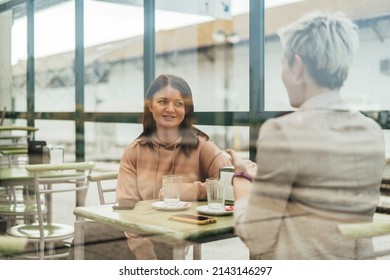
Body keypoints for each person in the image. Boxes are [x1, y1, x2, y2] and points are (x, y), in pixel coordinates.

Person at [227, 12, 386, 259]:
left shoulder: (283, 131)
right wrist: (265, 178)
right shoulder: (371, 131)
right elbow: (324, 197)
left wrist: (241, 182)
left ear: (298, 67)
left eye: (283, 63)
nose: (282, 74)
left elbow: (256, 235)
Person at [116, 74, 231, 259]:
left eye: (179, 103)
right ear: (150, 106)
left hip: (173, 234)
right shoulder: (134, 150)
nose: (171, 109)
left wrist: (191, 190)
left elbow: (230, 184)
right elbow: (126, 208)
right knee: (88, 236)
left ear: (186, 109)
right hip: (135, 233)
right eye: (163, 101)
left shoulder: (202, 145)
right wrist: (145, 255)